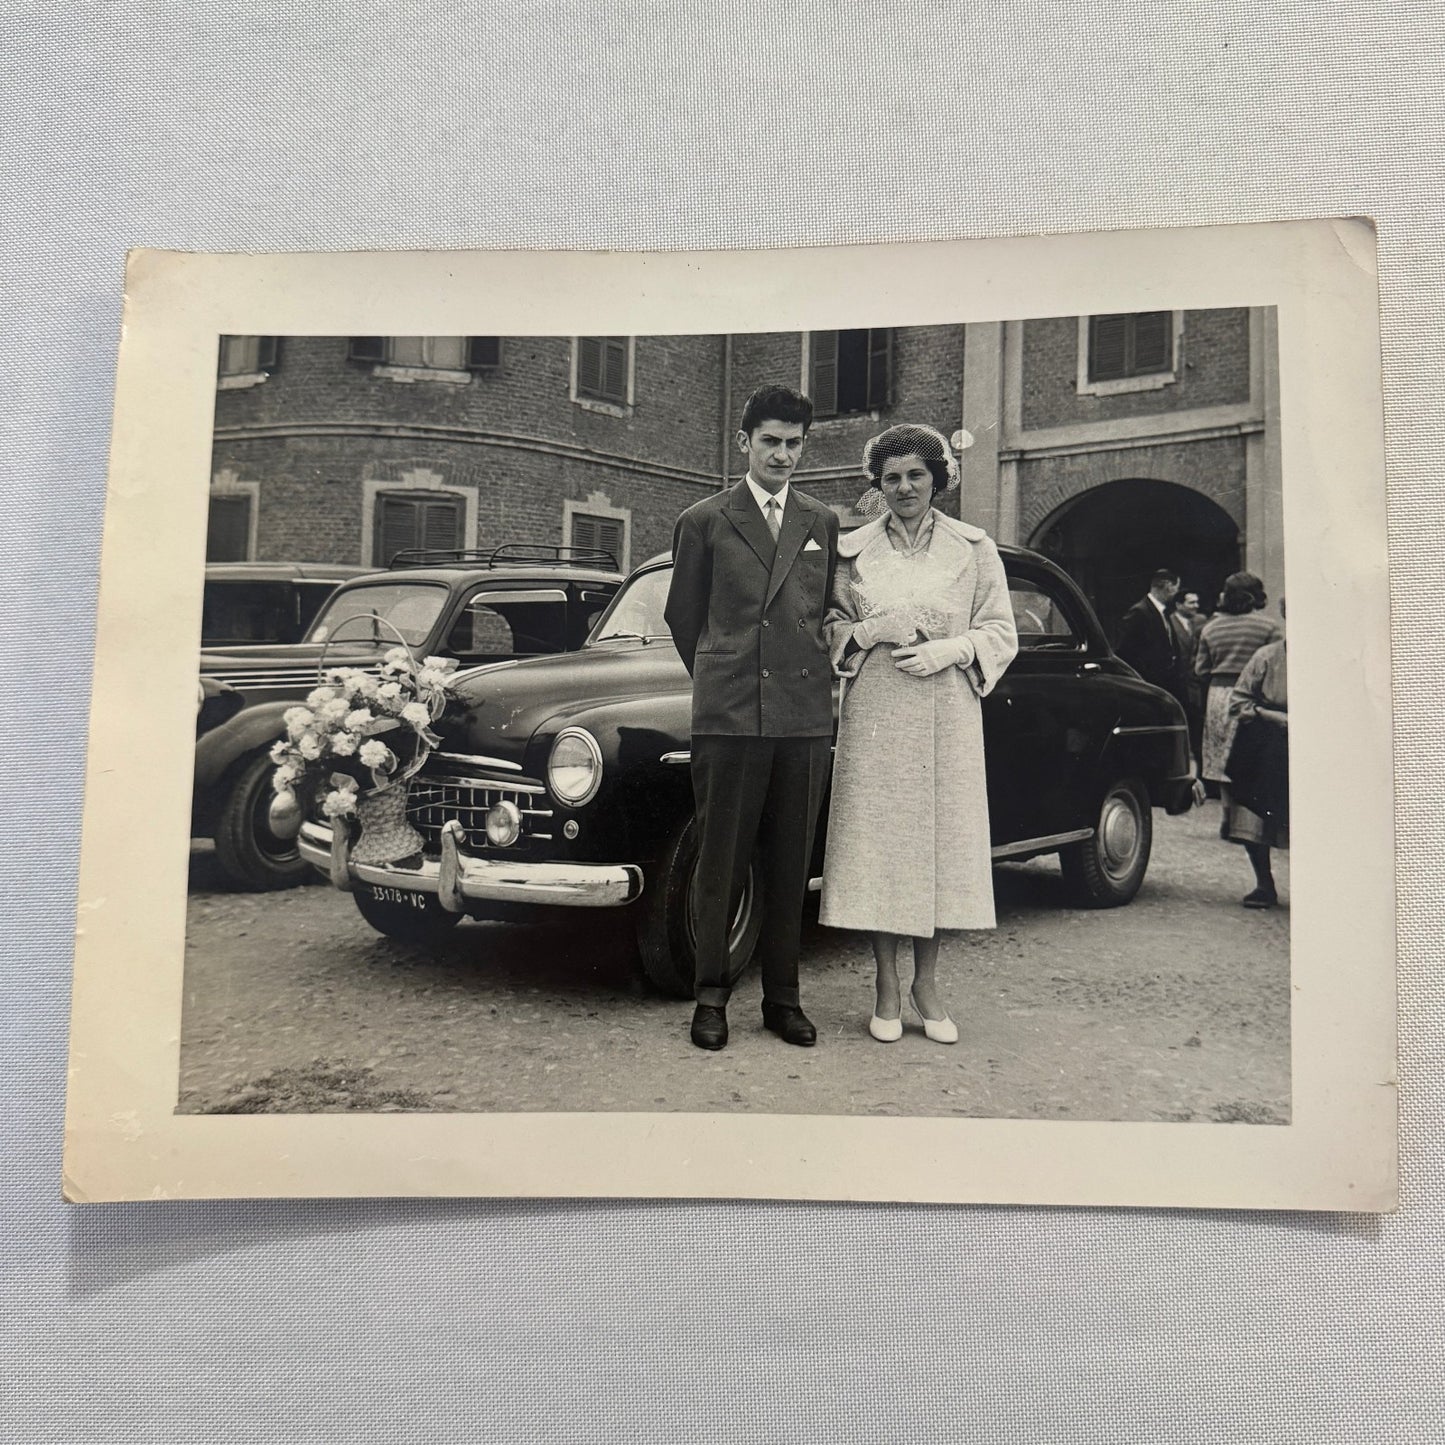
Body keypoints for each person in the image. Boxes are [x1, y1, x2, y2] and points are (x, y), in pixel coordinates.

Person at [818, 424, 1018, 1043]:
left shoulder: (974, 547)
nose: (904, 488)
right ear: (876, 485)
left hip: (946, 712)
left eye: (916, 476)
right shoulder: (851, 550)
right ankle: (883, 983)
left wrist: (955, 649)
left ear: (938, 480)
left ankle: (926, 984)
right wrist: (865, 633)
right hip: (877, 712)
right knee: (882, 846)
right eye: (892, 477)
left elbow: (1001, 630)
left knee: (937, 845)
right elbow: (827, 625)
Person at [663, 385, 840, 1052]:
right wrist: (726, 674)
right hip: (731, 713)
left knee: (791, 861)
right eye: (771, 441)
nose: (783, 454)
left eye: (794, 443)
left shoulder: (821, 520)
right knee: (722, 861)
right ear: (745, 442)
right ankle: (711, 997)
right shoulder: (704, 519)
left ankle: (783, 998)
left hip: (801, 716)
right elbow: (685, 620)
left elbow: (819, 608)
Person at [1193, 571, 1283, 798]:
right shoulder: (1269, 627)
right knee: (1252, 755)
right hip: (1253, 696)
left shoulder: (1211, 628)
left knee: (1223, 756)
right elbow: (1277, 665)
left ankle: (1227, 815)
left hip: (1219, 695)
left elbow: (1200, 670)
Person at [1223, 601, 1288, 907]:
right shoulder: (1267, 656)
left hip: (1315, 743)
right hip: (1267, 739)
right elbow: (1238, 701)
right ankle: (1264, 883)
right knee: (1253, 812)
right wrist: (1266, 714)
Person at [1115, 569, 1188, 708]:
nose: (1176, 592)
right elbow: (1126, 651)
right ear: (1168, 586)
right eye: (1176, 587)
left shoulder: (1162, 612)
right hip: (1151, 685)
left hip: (1165, 686)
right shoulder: (1139, 612)